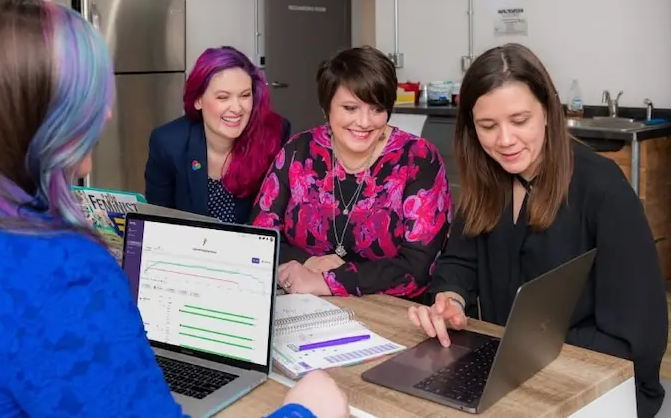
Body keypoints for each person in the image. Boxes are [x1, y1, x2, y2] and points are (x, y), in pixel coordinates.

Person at [0, 0, 349, 418]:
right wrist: (308, 410)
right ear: (39, 112)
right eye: (91, 98)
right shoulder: (56, 266)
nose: (106, 114)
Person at [407, 43, 667, 417]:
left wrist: (526, 349)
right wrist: (451, 301)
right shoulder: (488, 180)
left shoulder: (601, 187)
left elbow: (638, 336)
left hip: (595, 381)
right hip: (507, 373)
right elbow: (459, 264)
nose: (505, 140)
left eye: (519, 120)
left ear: (548, 111)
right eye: (488, 126)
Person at [251, 46, 452, 298]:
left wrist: (329, 282)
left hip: (390, 312)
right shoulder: (298, 151)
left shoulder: (418, 159)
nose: (365, 122)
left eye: (377, 109)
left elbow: (420, 268)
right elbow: (259, 236)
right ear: (327, 107)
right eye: (350, 108)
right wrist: (308, 262)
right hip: (302, 303)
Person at [145, 46, 291, 224]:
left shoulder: (274, 133)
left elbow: (281, 218)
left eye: (245, 95)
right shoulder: (167, 143)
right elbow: (156, 222)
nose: (237, 108)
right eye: (223, 97)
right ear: (198, 100)